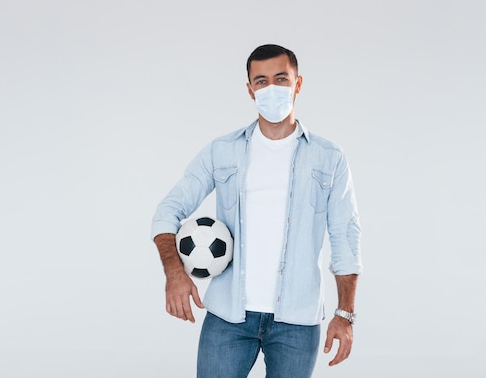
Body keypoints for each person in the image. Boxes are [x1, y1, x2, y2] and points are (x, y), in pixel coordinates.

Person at [151, 44, 362, 378]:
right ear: (250, 90)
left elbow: (345, 238)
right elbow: (168, 210)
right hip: (228, 317)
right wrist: (175, 274)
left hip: (297, 321)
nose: (271, 88)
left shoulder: (329, 157)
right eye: (261, 81)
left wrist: (345, 314)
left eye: (281, 78)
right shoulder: (222, 151)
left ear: (298, 83)